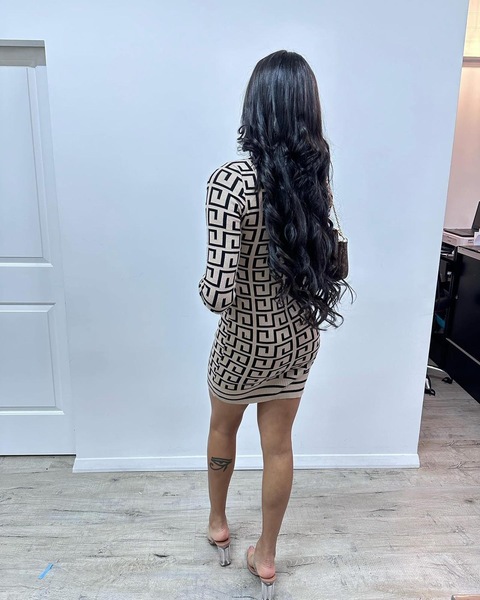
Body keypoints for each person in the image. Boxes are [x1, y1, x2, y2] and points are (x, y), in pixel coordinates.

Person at [198, 49, 355, 599]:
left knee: (223, 429)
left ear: (255, 106)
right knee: (280, 446)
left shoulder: (231, 182)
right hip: (296, 340)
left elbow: (217, 294)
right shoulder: (314, 182)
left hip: (243, 342)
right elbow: (330, 262)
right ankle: (266, 556)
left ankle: (219, 523)